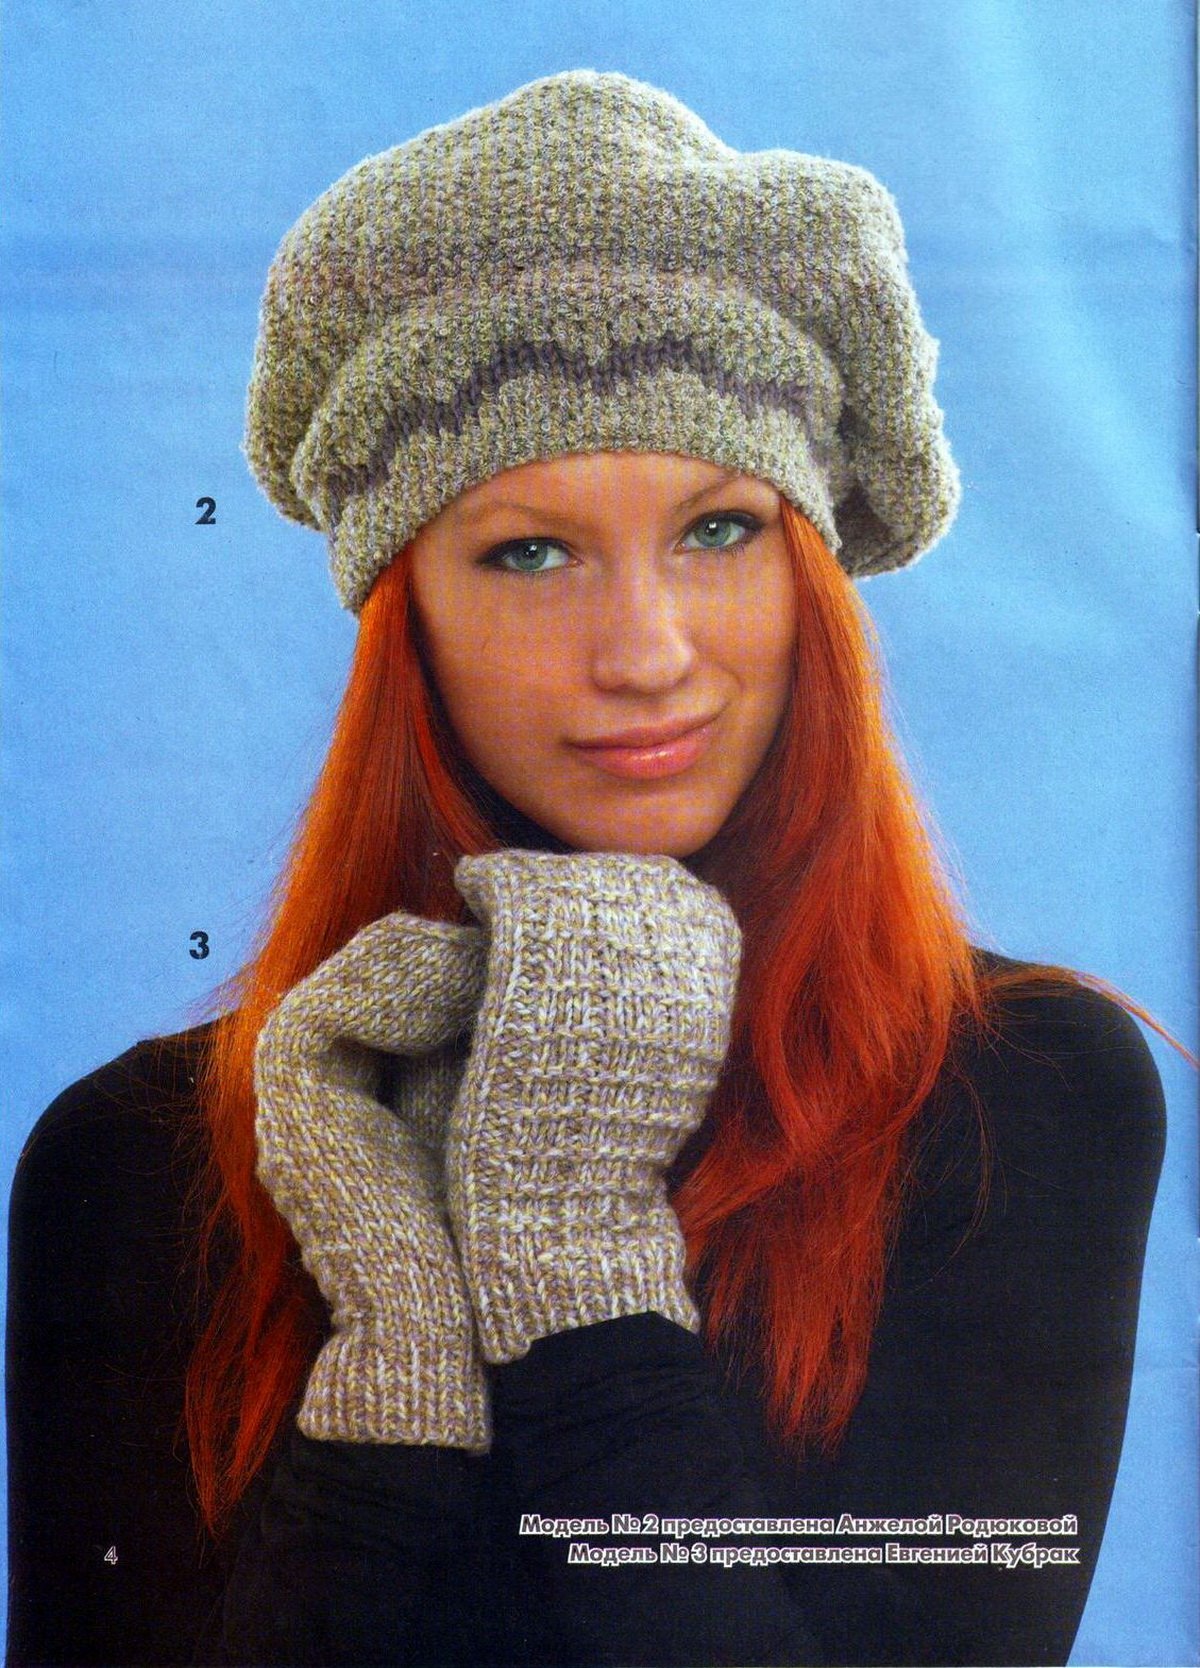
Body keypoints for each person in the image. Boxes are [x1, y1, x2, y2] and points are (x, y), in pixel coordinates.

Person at [6, 70, 1170, 1668]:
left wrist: (568, 1256)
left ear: (812, 575)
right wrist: (398, 1350)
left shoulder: (1015, 1095)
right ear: (407, 615)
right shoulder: (133, 1163)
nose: (645, 651)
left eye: (719, 529)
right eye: (530, 551)